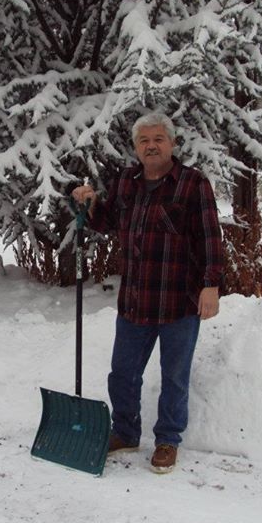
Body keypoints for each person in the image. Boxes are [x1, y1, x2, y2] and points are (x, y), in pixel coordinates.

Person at [72, 112, 223, 473]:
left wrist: (212, 285)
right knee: (122, 372)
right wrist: (89, 203)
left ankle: (168, 439)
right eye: (144, 140)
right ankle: (125, 432)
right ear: (136, 147)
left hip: (179, 300)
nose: (151, 145)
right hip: (136, 298)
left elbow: (210, 238)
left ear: (172, 143)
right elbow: (107, 222)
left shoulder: (193, 183)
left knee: (174, 375)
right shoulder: (126, 180)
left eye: (158, 139)